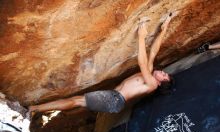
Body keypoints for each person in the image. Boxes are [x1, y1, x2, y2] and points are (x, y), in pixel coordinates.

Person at [29, 14, 174, 114]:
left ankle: (34, 109)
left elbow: (142, 63)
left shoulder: (152, 85)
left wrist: (141, 36)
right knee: (75, 102)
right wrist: (165, 28)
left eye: (164, 76)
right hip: (114, 97)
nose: (162, 72)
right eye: (164, 72)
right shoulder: (149, 73)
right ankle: (36, 109)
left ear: (160, 83)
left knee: (75, 102)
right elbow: (154, 52)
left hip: (114, 100)